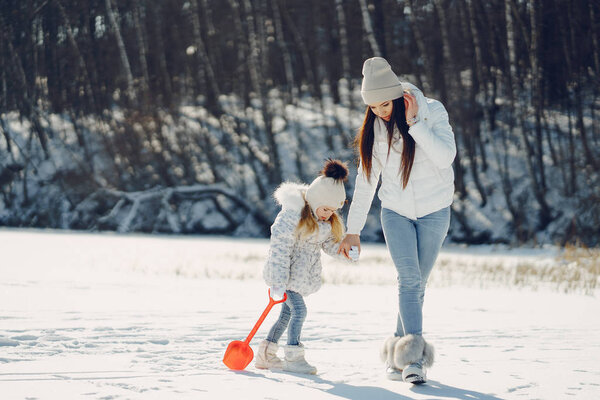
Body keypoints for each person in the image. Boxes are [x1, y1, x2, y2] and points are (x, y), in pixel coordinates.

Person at [337, 57, 456, 384]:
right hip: (396, 213)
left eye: (385, 104)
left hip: (435, 211)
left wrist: (416, 124)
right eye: (373, 106)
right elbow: (366, 180)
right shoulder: (374, 129)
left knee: (418, 284)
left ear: (398, 96)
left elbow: (446, 158)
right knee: (409, 280)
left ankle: (397, 348)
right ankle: (414, 359)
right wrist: (353, 231)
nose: (380, 111)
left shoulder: (433, 111)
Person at [256, 159, 356, 375]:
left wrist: (345, 252)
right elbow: (279, 249)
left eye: (333, 210)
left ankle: (265, 354)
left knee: (286, 315)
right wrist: (277, 281)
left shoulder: (324, 222)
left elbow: (329, 244)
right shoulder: (291, 216)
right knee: (299, 312)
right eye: (325, 208)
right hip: (286, 278)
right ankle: (294, 357)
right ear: (314, 200)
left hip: (300, 279)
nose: (328, 214)